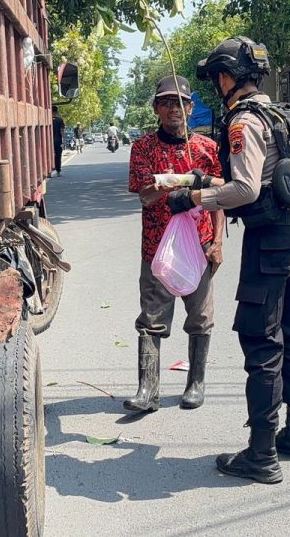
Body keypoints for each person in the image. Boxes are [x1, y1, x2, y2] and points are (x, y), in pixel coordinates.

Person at [167, 37, 290, 484]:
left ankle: (261, 454)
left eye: (218, 76)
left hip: (270, 244)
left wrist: (193, 196)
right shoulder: (280, 114)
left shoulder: (244, 121)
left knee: (262, 343)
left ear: (228, 77)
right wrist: (211, 179)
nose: (217, 84)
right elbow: (263, 176)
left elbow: (248, 190)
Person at [125, 76, 224, 412]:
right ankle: (147, 391)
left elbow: (220, 195)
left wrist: (218, 243)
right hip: (157, 247)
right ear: (156, 108)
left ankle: (196, 382)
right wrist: (177, 182)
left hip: (200, 244)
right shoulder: (143, 148)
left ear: (191, 108)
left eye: (180, 102)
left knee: (200, 316)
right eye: (166, 102)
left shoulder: (206, 149)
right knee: (152, 318)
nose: (173, 109)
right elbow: (144, 195)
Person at [51, 106, 65, 176]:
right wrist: (63, 140)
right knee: (58, 155)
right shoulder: (60, 120)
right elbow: (62, 130)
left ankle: (49, 170)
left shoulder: (48, 120)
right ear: (57, 112)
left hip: (49, 141)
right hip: (58, 141)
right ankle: (58, 171)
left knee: (49, 155)